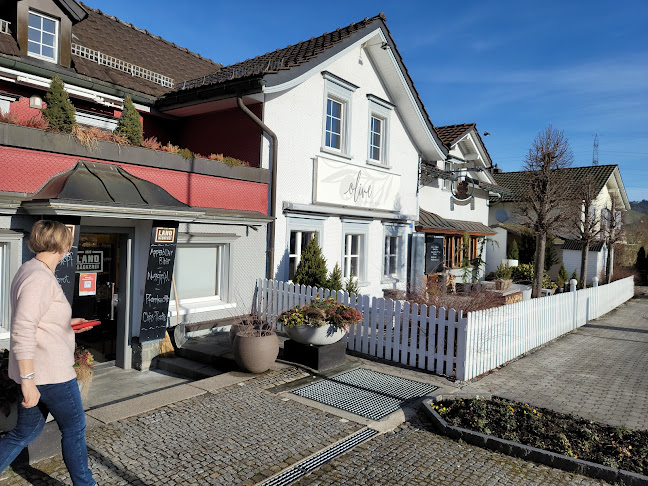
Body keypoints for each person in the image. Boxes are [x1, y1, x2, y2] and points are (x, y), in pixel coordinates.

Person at [0, 220, 96, 485]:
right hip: (50, 374)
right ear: (63, 246)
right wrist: (28, 381)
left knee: (26, 431)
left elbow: (39, 321)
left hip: (39, 372)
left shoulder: (31, 270)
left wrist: (66, 325)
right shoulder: (39, 277)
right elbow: (22, 329)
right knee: (74, 429)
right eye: (69, 244)